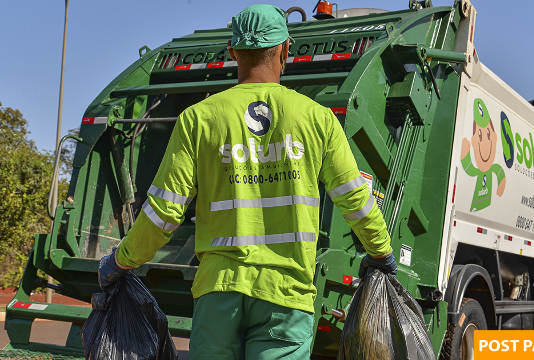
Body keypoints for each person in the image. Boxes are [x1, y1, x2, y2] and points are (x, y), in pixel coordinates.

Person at [98, 4, 396, 359]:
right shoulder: (319, 120)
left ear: (232, 51)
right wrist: (382, 253)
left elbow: (163, 213)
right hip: (286, 298)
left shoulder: (198, 119)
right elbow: (355, 201)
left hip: (218, 292)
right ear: (286, 49)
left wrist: (121, 261)